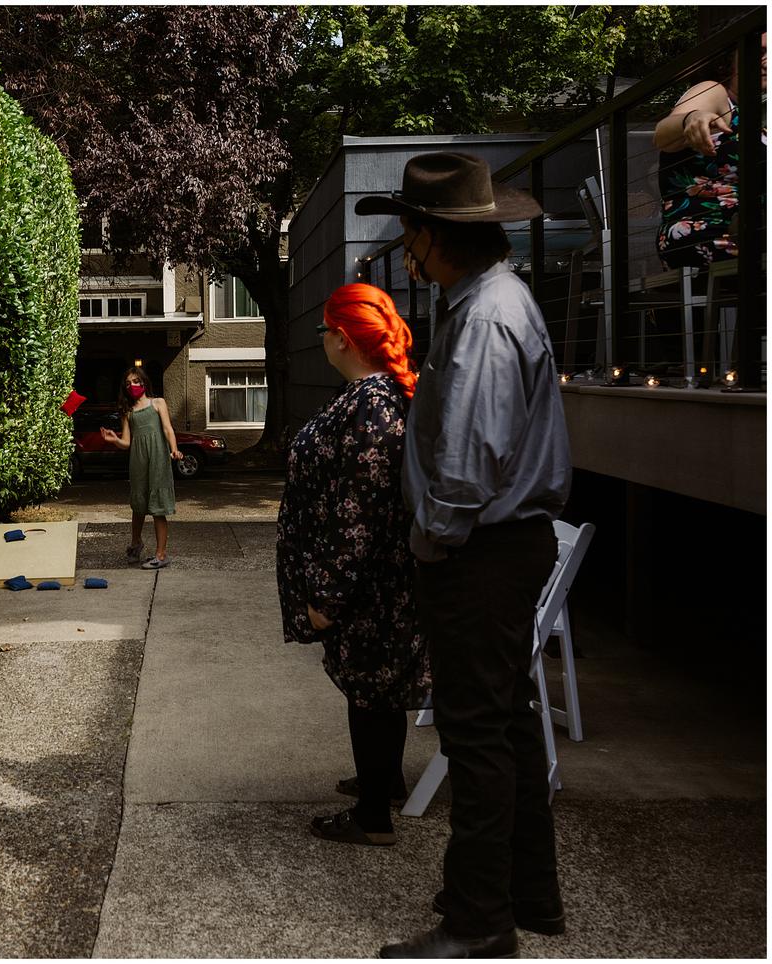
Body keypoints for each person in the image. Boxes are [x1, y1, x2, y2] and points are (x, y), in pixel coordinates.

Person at [355, 152, 572, 959]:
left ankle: (479, 924)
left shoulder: (483, 317)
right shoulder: (489, 302)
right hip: (497, 548)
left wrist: (430, 543)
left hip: (481, 551)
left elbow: (463, 464)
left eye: (409, 233)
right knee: (505, 726)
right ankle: (526, 897)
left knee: (477, 738)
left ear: (431, 235)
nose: (404, 252)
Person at [276, 283, 430, 848]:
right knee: (373, 690)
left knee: (370, 689)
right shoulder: (374, 396)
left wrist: (327, 595)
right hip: (373, 581)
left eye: (322, 331)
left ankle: (373, 817)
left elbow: (360, 510)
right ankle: (382, 780)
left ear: (342, 339)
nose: (321, 340)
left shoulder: (373, 402)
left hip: (366, 586)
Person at [653, 31, 766, 268]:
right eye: (761, 52)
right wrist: (691, 119)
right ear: (728, 60)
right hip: (706, 229)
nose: (767, 61)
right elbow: (663, 134)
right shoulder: (714, 91)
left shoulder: (755, 115)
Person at [100, 365, 182, 569]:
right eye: (128, 383)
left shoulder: (158, 403)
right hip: (138, 460)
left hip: (158, 459)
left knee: (157, 508)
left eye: (136, 381)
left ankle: (161, 555)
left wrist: (174, 449)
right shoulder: (127, 411)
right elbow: (127, 442)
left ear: (144, 382)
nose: (133, 386)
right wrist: (114, 440)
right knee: (138, 506)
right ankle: (136, 544)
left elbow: (167, 428)